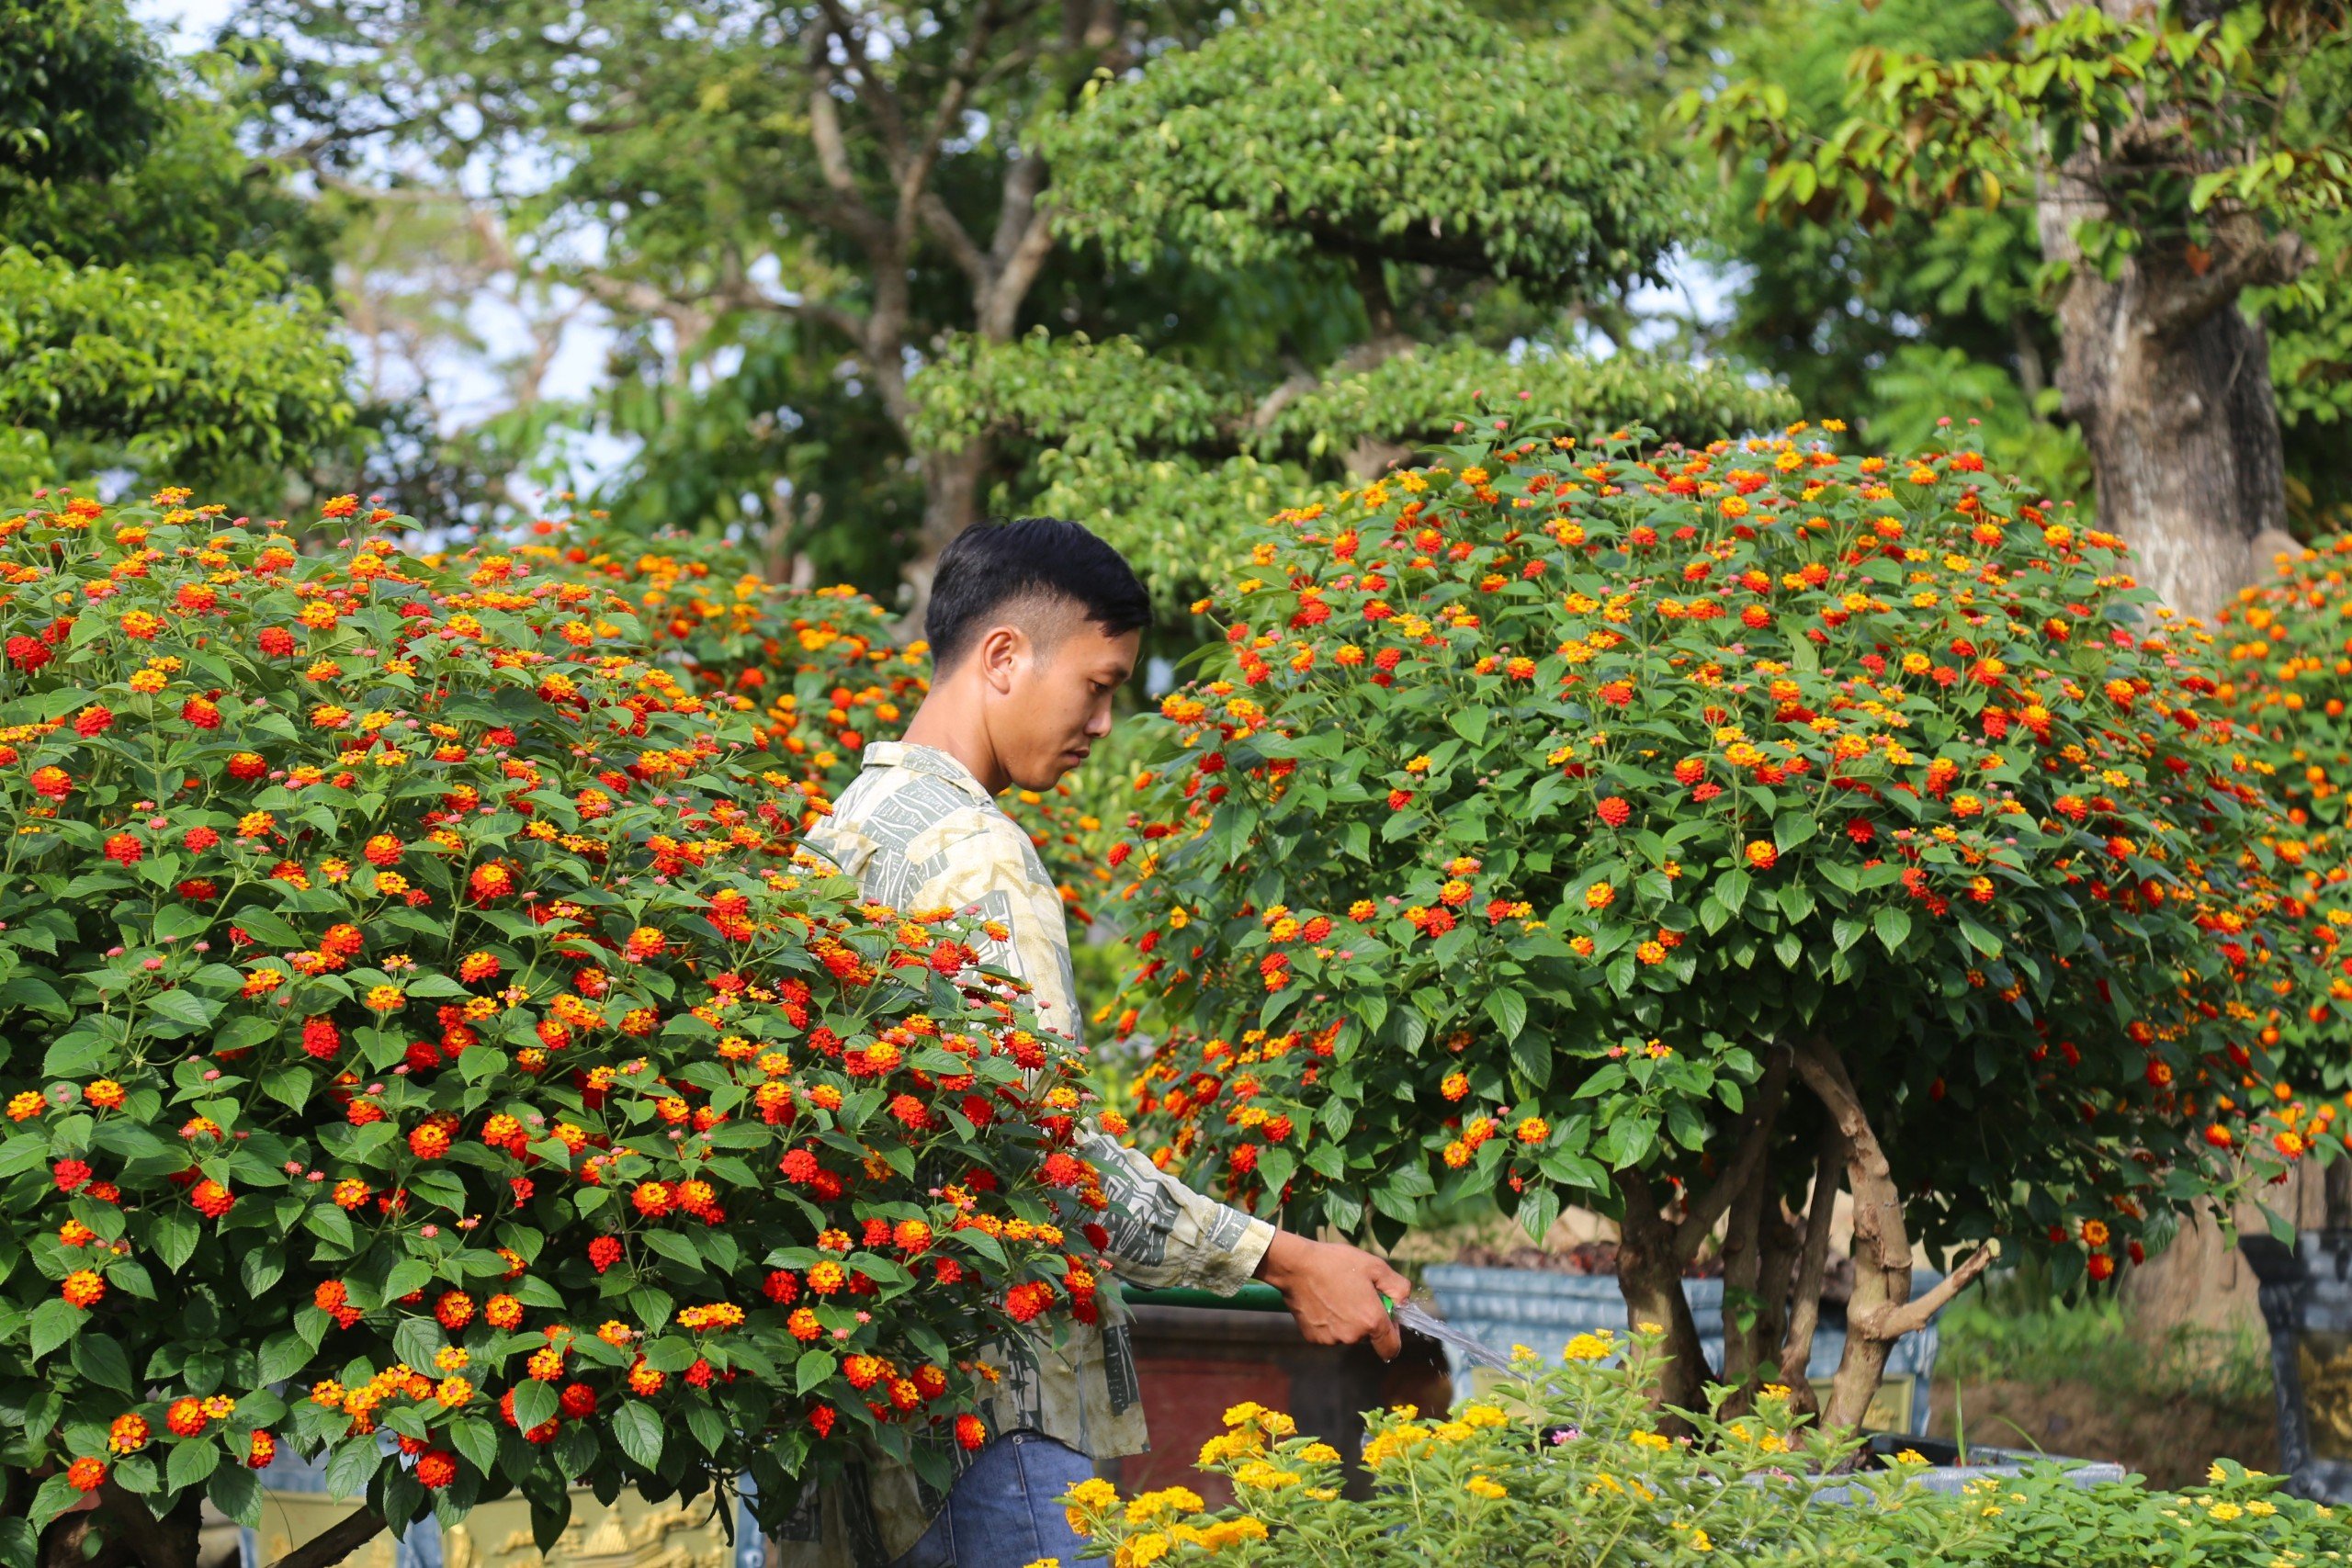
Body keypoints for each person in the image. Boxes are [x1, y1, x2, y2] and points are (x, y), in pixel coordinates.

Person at [781, 517, 1412, 1568]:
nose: (1106, 722)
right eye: (1100, 683)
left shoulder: (842, 829)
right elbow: (1054, 1163)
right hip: (995, 1427)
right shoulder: (978, 855)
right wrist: (1290, 1260)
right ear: (1002, 657)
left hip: (860, 1426)